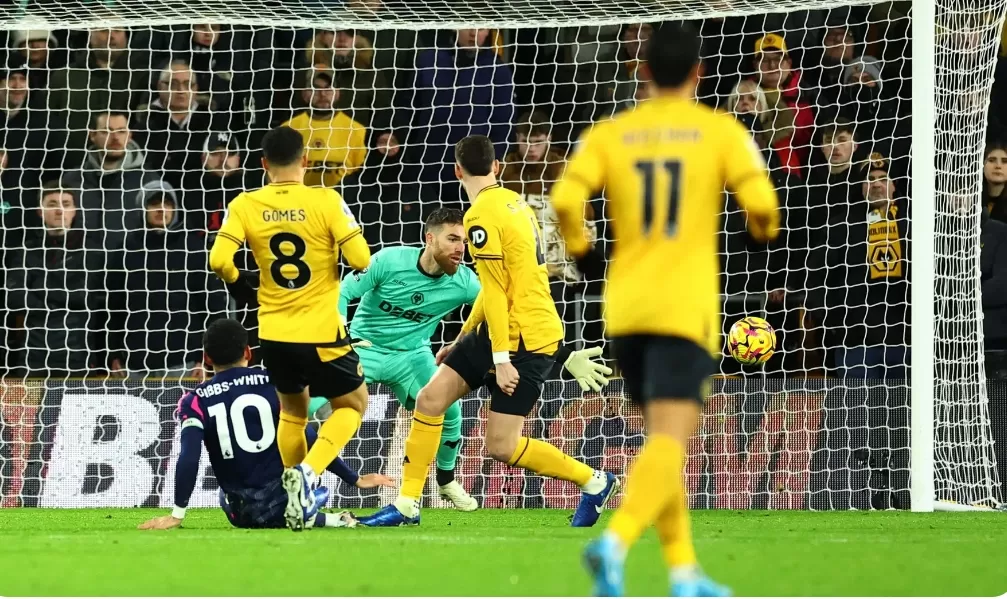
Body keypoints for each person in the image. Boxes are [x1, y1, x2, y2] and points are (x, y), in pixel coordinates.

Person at [551, 23, 778, 597]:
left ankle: (684, 572)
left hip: (625, 308)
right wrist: (755, 236)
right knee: (671, 441)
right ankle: (614, 543)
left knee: (660, 441)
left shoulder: (611, 133)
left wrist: (587, 256)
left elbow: (565, 200)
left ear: (643, 70)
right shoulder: (719, 131)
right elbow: (763, 206)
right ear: (699, 73)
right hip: (683, 307)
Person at [358, 135, 618, 529]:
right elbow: (495, 285)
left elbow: (496, 290)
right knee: (429, 400)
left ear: (456, 170)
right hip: (499, 330)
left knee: (501, 446)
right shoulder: (517, 202)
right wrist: (462, 338)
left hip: (526, 340)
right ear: (496, 167)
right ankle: (407, 505)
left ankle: (595, 481)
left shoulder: (480, 216)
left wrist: (501, 359)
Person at [329, 208, 612, 511]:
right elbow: (342, 293)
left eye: (464, 242)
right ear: (429, 239)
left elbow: (508, 310)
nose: (460, 249)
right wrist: (340, 339)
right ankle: (307, 478)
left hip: (412, 355)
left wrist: (563, 354)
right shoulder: (389, 260)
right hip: (365, 348)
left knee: (449, 410)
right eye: (452, 239)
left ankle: (445, 480)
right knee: (313, 403)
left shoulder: (465, 282)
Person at [208, 125, 372, 531]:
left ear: (264, 163)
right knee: (353, 405)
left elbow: (219, 260)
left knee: (294, 414)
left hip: (274, 333)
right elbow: (361, 259)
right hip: (321, 331)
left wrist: (240, 284)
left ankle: (295, 498)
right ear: (306, 160)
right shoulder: (326, 200)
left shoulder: (245, 203)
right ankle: (308, 475)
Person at [138, 318, 393, 531]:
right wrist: (354, 478)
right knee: (296, 431)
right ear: (248, 352)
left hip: (240, 514)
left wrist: (177, 514)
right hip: (285, 500)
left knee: (226, 496)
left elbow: (189, 456)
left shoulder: (194, 400)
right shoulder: (275, 382)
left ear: (206, 358)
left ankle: (322, 517)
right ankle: (320, 514)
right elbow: (310, 437)